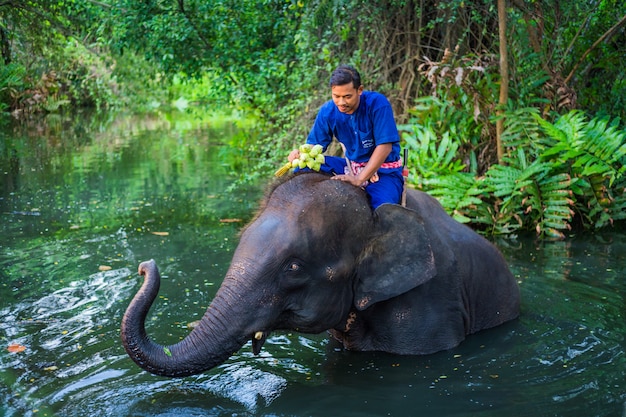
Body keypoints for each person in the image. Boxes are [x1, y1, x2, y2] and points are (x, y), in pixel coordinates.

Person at [289, 65, 404, 209]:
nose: (341, 102)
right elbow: (315, 146)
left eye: (347, 96)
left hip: (384, 170)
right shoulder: (328, 111)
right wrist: (301, 154)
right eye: (336, 96)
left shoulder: (377, 104)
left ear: (359, 90)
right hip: (351, 166)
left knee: (384, 210)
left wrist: (359, 179)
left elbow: (385, 146)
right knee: (302, 167)